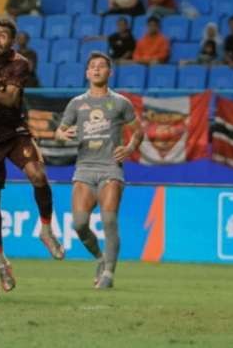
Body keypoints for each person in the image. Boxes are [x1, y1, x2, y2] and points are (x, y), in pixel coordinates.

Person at [0, 17, 65, 292]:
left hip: (15, 133)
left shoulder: (20, 63)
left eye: (3, 35)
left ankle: (45, 229)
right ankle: (0, 261)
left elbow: (10, 99)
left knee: (37, 174)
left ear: (12, 40)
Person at [55, 52, 142, 290]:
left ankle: (109, 274)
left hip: (110, 168)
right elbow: (59, 131)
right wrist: (62, 135)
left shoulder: (121, 102)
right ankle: (100, 258)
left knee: (109, 220)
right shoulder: (76, 103)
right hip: (83, 168)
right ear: (87, 73)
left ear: (109, 73)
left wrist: (130, 147)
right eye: (92, 66)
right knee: (79, 225)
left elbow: (138, 131)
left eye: (101, 66)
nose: (96, 70)